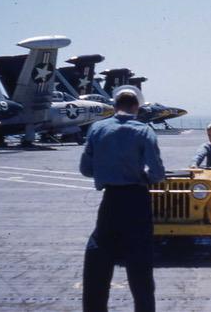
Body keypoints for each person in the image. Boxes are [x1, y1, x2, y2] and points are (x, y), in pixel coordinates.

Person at [79, 87, 166, 312]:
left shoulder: (97, 128)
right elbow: (157, 173)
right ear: (136, 107)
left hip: (111, 201)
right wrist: (142, 175)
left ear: (115, 105)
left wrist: (107, 171)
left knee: (98, 256)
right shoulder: (144, 130)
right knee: (141, 268)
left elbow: (86, 169)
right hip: (137, 201)